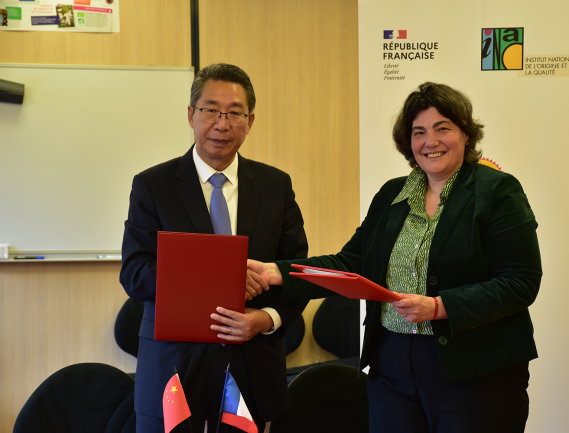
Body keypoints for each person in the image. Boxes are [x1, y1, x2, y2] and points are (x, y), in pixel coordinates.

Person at [248, 82, 542, 432]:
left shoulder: (497, 192)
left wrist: (439, 307)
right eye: (419, 132)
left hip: (476, 373)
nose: (430, 142)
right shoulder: (392, 195)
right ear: (408, 142)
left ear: (465, 134)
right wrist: (275, 272)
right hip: (392, 370)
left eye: (442, 128)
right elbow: (352, 263)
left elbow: (520, 281)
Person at [120, 63, 308, 432]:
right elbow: (135, 273)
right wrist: (228, 278)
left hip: (251, 365)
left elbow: (296, 270)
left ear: (250, 121)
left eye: (235, 113)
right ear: (191, 114)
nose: (222, 124)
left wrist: (267, 319)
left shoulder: (275, 186)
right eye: (210, 110)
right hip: (173, 366)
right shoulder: (153, 186)